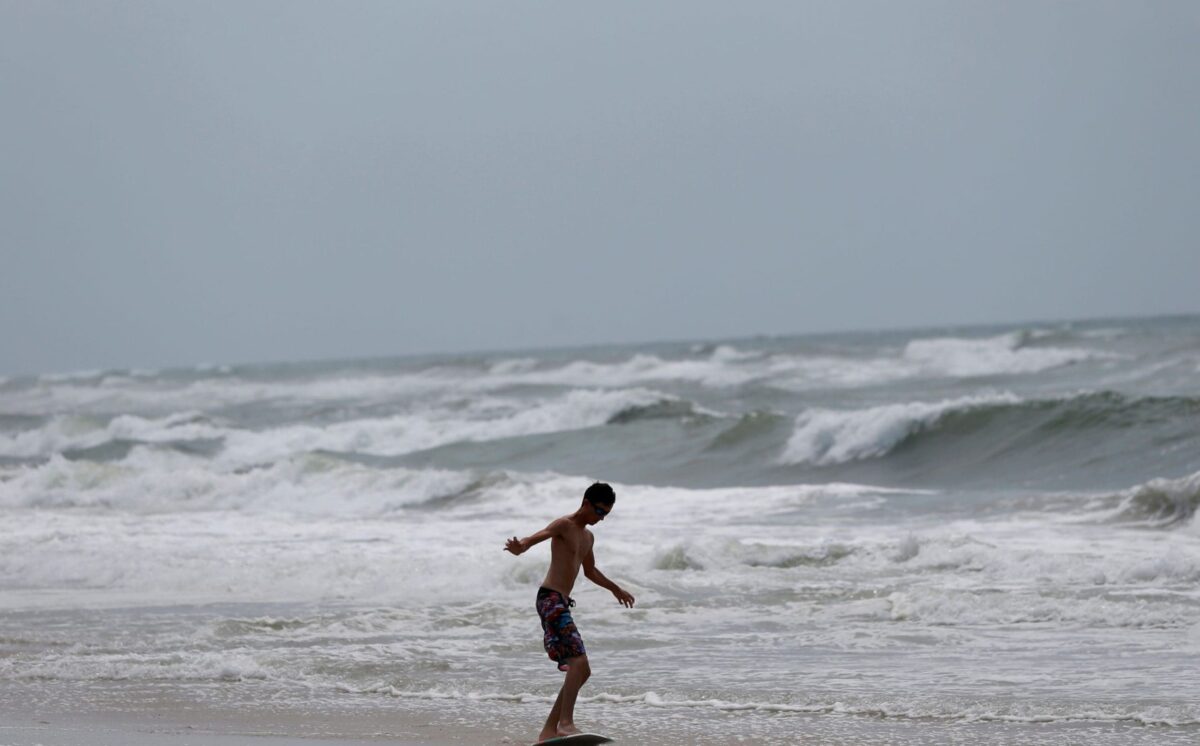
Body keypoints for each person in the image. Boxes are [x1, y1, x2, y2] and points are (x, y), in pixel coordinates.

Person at [504, 482, 636, 743]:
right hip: (549, 598)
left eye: (606, 514)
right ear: (586, 502)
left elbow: (590, 571)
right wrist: (521, 546)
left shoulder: (588, 537)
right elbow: (536, 537)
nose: (600, 518)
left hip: (562, 602)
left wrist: (615, 588)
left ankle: (548, 732)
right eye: (599, 511)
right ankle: (565, 724)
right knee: (579, 662)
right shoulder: (564, 525)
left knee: (582, 671)